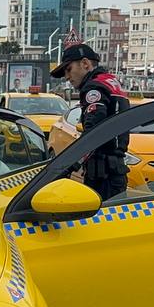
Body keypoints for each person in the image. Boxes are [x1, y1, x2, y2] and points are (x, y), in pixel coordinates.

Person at [50, 43, 131, 199]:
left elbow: (93, 134)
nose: (67, 77)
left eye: (69, 69)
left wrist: (66, 167)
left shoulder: (93, 88)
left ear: (85, 64)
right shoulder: (110, 82)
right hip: (116, 170)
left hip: (102, 175)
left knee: (99, 221)